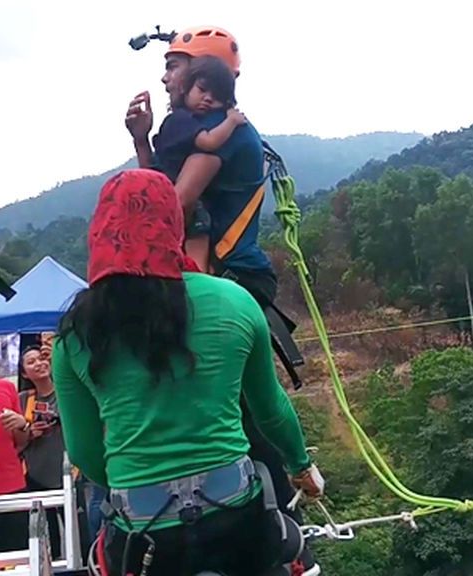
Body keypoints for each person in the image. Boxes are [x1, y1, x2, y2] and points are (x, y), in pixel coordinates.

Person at [52, 169, 324, 576]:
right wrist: (301, 466)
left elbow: (86, 451)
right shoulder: (234, 301)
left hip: (142, 536)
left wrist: (140, 481)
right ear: (173, 225)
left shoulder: (74, 334)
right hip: (238, 520)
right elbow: (271, 410)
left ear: (102, 231)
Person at [123, 26, 317, 575]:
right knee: (231, 409)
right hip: (220, 281)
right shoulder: (198, 128)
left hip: (228, 281)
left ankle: (274, 539)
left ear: (205, 74)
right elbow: (162, 191)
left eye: (174, 65)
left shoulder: (217, 130)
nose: (165, 76)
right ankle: (259, 535)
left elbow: (169, 207)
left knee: (236, 412)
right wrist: (142, 142)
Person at [150, 55, 248, 269]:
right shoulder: (184, 121)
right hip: (172, 191)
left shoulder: (181, 120)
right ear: (188, 86)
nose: (208, 99)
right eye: (202, 90)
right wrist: (232, 121)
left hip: (160, 189)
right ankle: (200, 272)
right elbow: (209, 142)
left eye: (217, 97)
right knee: (199, 229)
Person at [0, 344, 66, 559]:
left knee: (80, 534)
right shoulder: (22, 400)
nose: (38, 364)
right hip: (36, 475)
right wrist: (28, 430)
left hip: (70, 473)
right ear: (24, 372)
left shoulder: (67, 392)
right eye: (31, 362)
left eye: (41, 358)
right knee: (48, 538)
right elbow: (16, 444)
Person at [0, 338, 30, 553]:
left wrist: (22, 425)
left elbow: (21, 442)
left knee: (18, 551)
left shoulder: (6, 387)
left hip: (11, 484)